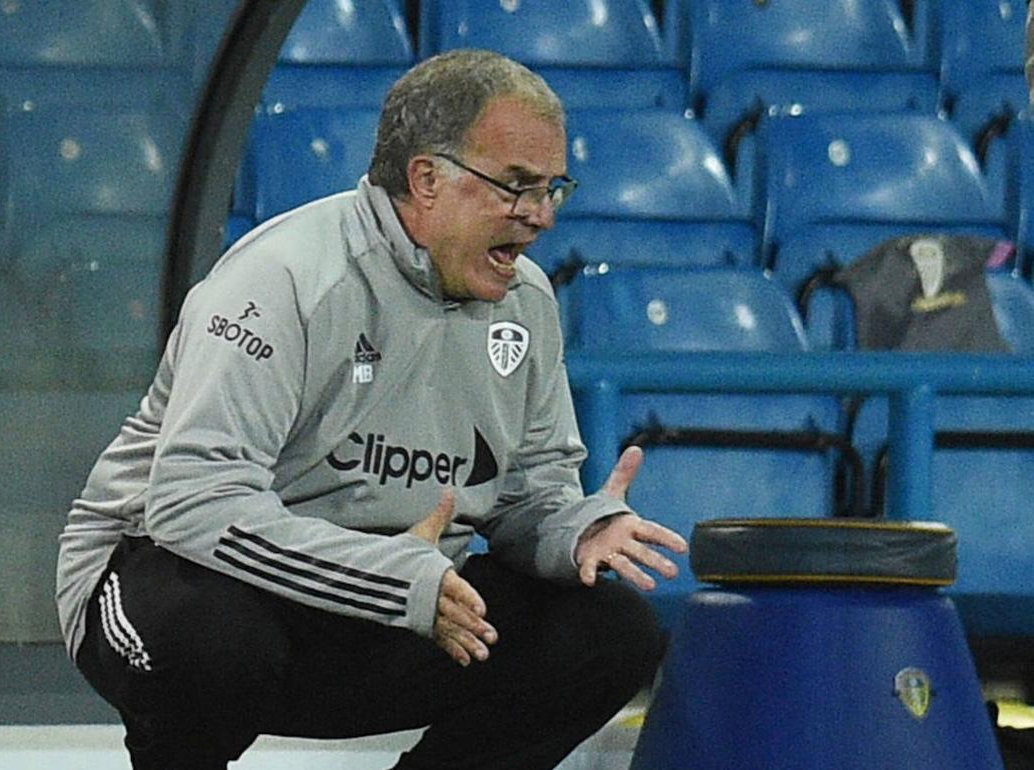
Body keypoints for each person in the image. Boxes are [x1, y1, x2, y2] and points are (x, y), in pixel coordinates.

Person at [56, 48, 688, 770]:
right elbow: (192, 505)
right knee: (211, 642)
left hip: (395, 601)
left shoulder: (527, 302)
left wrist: (576, 532)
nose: (540, 217)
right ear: (426, 179)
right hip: (171, 581)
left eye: (552, 189)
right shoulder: (285, 276)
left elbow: (524, 497)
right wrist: (389, 577)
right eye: (516, 187)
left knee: (608, 631)